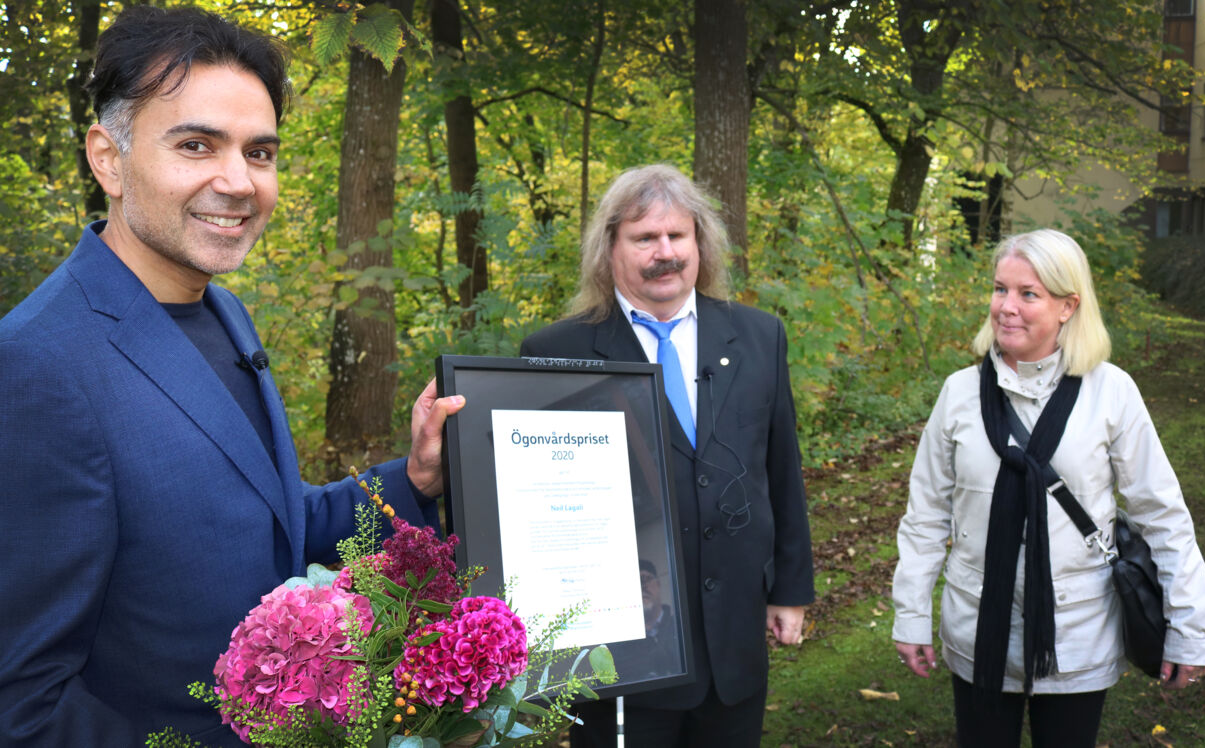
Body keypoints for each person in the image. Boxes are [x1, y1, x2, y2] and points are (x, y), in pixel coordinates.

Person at [0, 7, 462, 745]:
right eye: (196, 145)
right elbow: (21, 702)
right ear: (107, 159)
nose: (238, 181)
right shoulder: (37, 366)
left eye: (261, 153)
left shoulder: (223, 314)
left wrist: (416, 478)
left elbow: (276, 522)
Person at [520, 164, 814, 747]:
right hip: (620, 656)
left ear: (700, 243)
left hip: (734, 635)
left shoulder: (758, 337)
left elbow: (781, 471)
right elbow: (539, 502)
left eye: (677, 236)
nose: (665, 253)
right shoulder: (557, 352)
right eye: (644, 238)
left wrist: (790, 589)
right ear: (610, 250)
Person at [891, 229, 1205, 747]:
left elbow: (1163, 515)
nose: (1006, 307)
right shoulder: (959, 394)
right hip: (978, 630)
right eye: (1000, 289)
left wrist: (1190, 629)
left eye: (1028, 294)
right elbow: (926, 515)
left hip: (1077, 637)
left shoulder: (1111, 393)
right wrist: (910, 616)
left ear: (1068, 306)